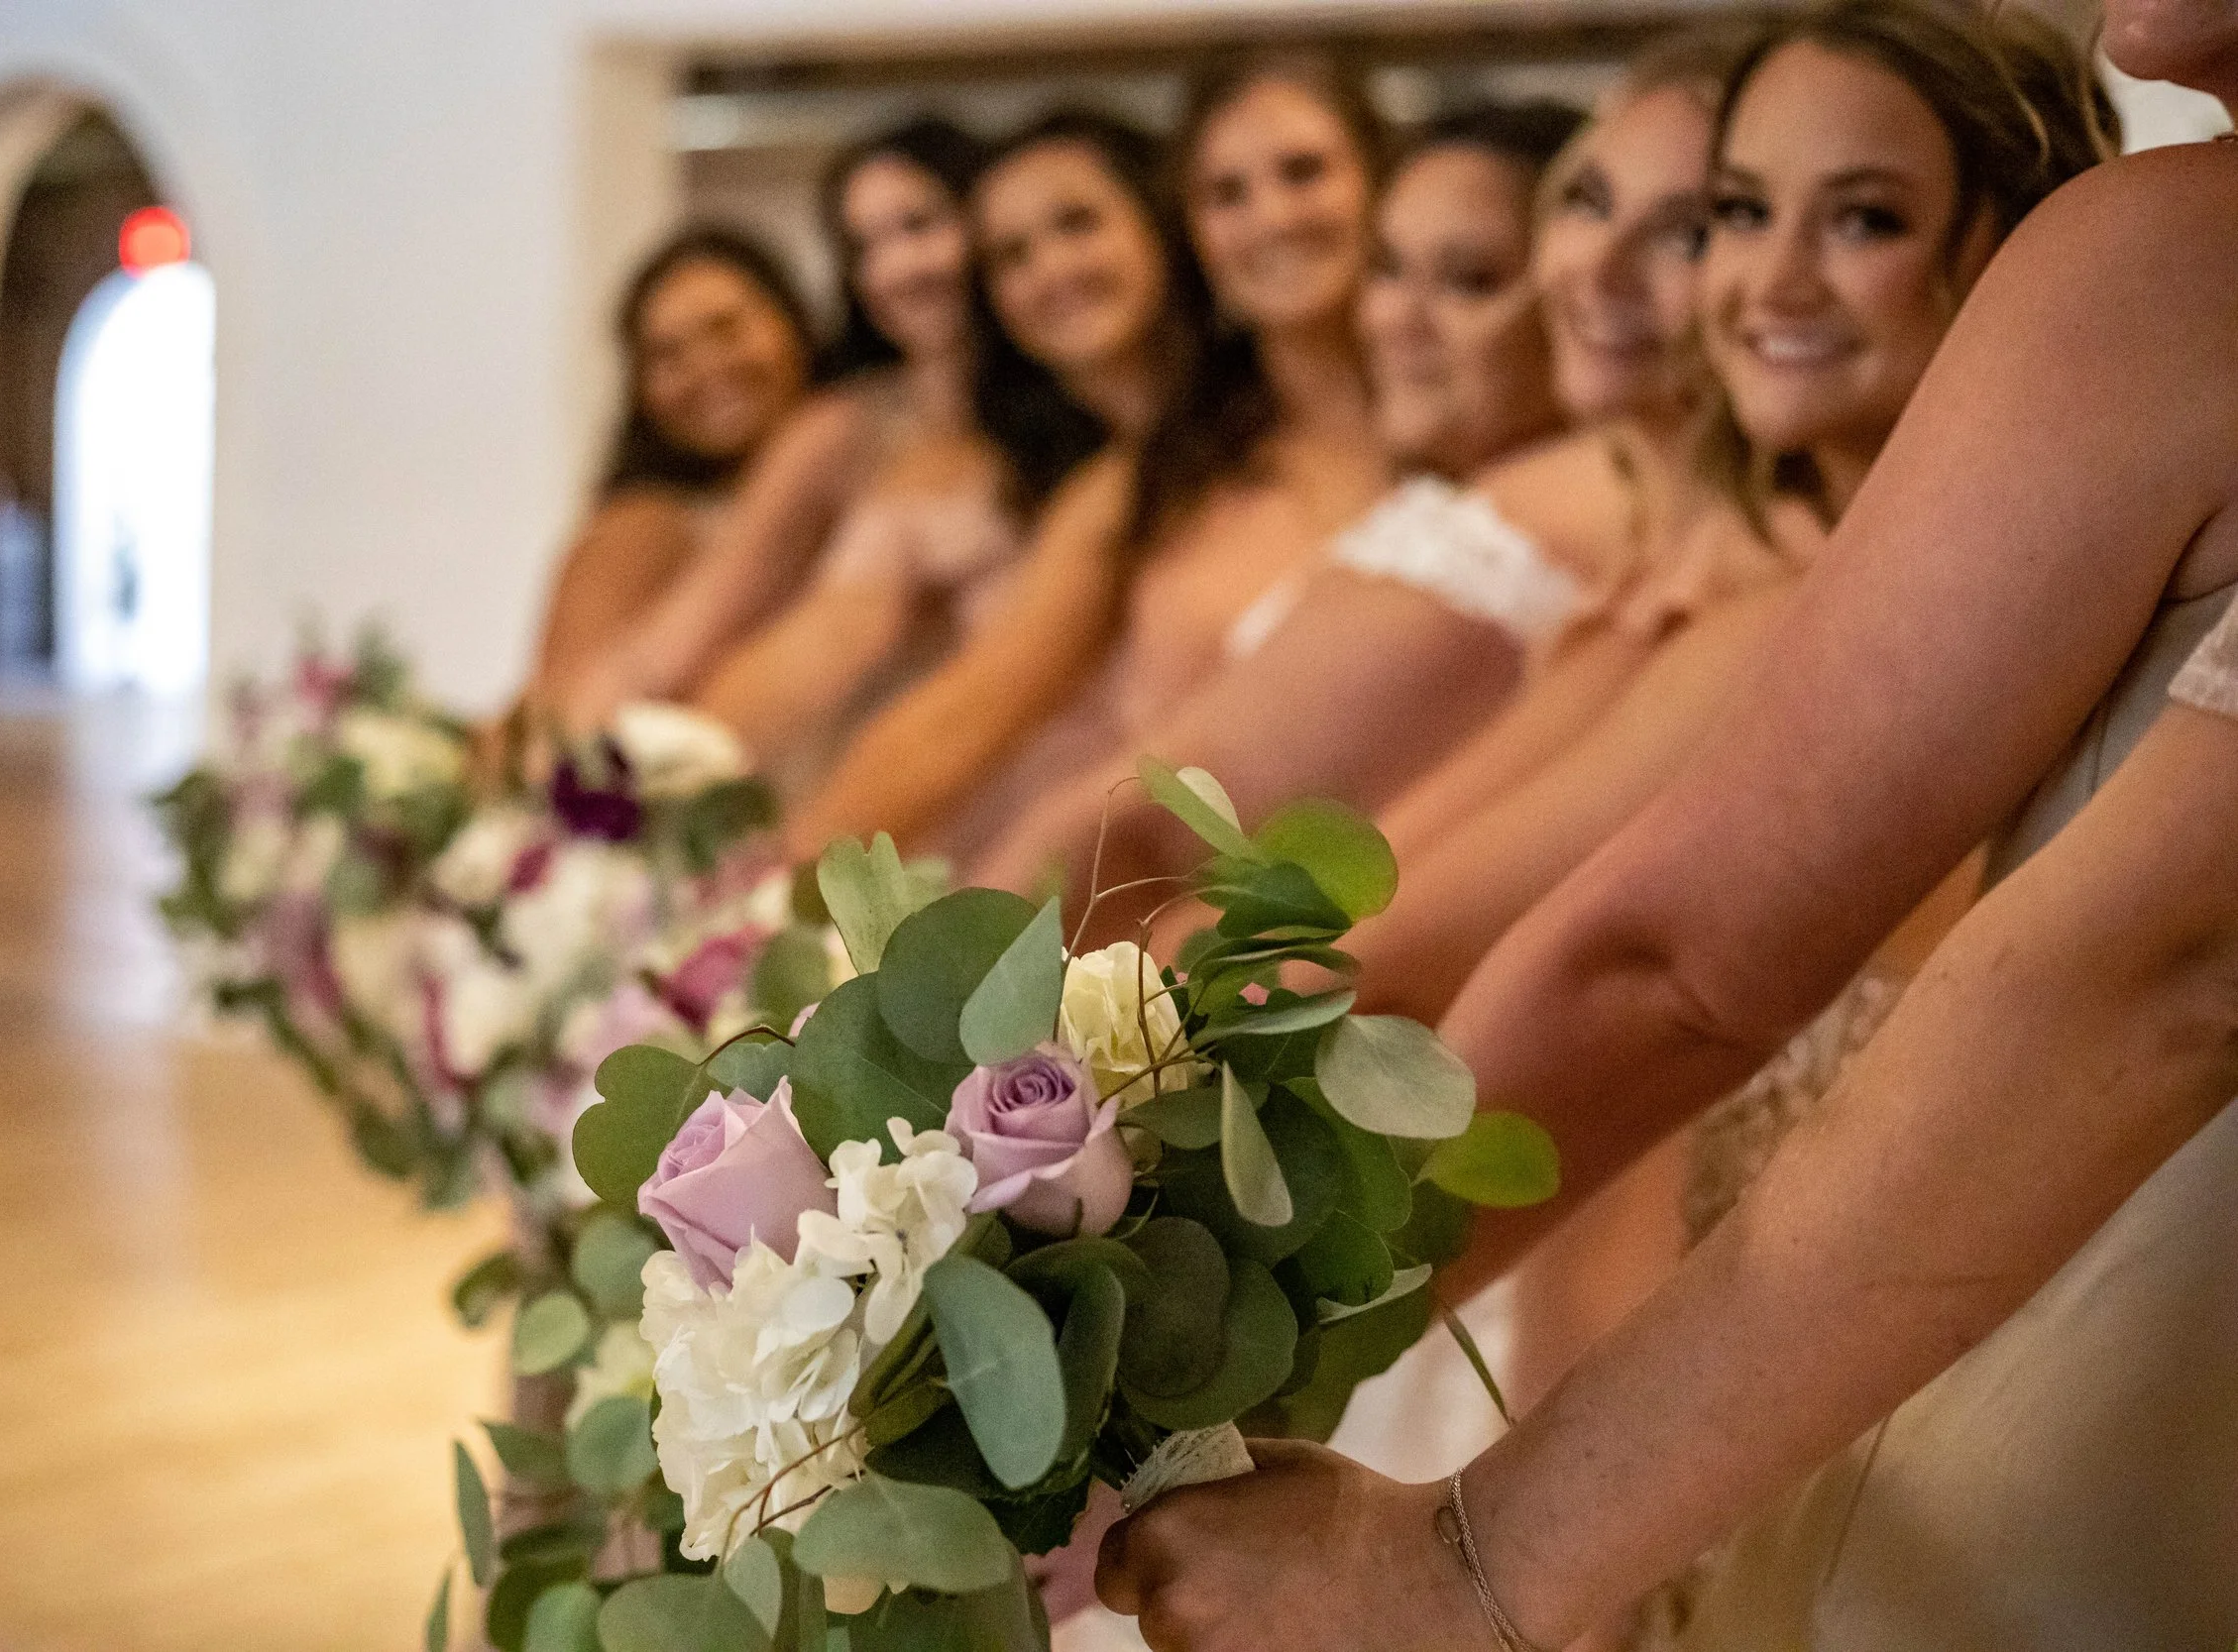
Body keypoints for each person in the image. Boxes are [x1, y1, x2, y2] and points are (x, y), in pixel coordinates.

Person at [1094, 0, 2226, 1643]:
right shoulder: (1715, 599)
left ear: (1998, 241)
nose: (1758, 282)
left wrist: (1138, 1355)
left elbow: (1665, 968)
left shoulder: (2163, 278)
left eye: (1863, 216)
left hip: (2015, 1405)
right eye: (1739, 213)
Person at [973, 101, 1591, 916]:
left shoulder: (1519, 518)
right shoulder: (1160, 474)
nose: (1401, 317)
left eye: (1471, 279)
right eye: (1389, 270)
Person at [787, 55, 1391, 861]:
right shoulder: (1150, 475)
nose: (1270, 217)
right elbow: (963, 713)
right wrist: (763, 895)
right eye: (1227, 195)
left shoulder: (1476, 431)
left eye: (1304, 172)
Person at [690, 117, 1167, 801]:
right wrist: (638, 789)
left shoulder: (1132, 445)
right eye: (1016, 253)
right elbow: (807, 643)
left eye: (921, 225)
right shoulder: (910, 452)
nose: (896, 268)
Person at [540, 118, 990, 737]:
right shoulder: (834, 433)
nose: (897, 267)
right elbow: (652, 655)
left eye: (920, 225)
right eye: (865, 247)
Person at [517, 227, 813, 729]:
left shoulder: (873, 473)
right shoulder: (643, 526)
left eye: (725, 329)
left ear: (794, 323)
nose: (705, 368)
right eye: (668, 354)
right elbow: (563, 718)